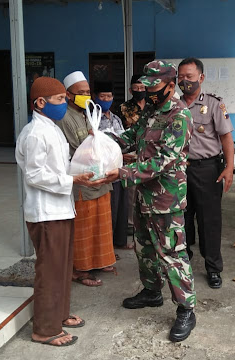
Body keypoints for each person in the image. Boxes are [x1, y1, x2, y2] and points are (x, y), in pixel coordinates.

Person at [105, 61, 197, 342]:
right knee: (144, 248)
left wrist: (121, 172)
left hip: (166, 198)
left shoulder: (179, 116)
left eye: (153, 86)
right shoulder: (151, 111)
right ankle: (151, 291)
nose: (147, 91)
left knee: (172, 254)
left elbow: (163, 161)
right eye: (145, 86)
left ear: (171, 86)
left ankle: (186, 309)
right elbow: (132, 137)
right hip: (144, 196)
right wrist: (104, 142)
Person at [15, 77, 105, 347]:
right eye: (58, 100)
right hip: (45, 213)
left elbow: (60, 167)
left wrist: (82, 174)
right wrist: (72, 181)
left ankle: (60, 315)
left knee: (64, 267)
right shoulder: (34, 133)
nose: (64, 104)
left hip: (61, 209)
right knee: (50, 271)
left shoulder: (52, 129)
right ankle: (44, 329)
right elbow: (35, 175)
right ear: (40, 103)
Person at [177, 58, 234, 289]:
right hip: (180, 170)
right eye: (180, 77)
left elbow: (226, 137)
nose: (184, 81)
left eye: (189, 77)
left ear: (201, 78)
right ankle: (185, 261)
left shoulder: (213, 104)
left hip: (207, 169)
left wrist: (229, 167)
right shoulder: (174, 105)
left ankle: (213, 268)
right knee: (182, 218)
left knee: (209, 221)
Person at [59, 71, 115, 287]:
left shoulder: (85, 113)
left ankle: (100, 261)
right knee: (85, 227)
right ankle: (80, 270)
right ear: (68, 95)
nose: (86, 95)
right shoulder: (65, 117)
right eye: (80, 93)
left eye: (88, 92)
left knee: (101, 223)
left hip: (98, 178)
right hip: (83, 181)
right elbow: (78, 150)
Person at [93, 80, 132, 250]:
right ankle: (107, 247)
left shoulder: (116, 118)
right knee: (110, 210)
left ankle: (120, 241)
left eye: (109, 96)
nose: (106, 99)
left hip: (120, 168)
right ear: (96, 97)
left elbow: (123, 139)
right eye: (103, 96)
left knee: (123, 207)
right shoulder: (92, 119)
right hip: (104, 170)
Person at [120, 74, 146, 236]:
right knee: (131, 190)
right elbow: (130, 127)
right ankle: (130, 224)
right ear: (130, 90)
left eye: (142, 88)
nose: (139, 91)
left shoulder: (152, 105)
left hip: (148, 151)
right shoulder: (125, 107)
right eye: (136, 89)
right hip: (132, 150)